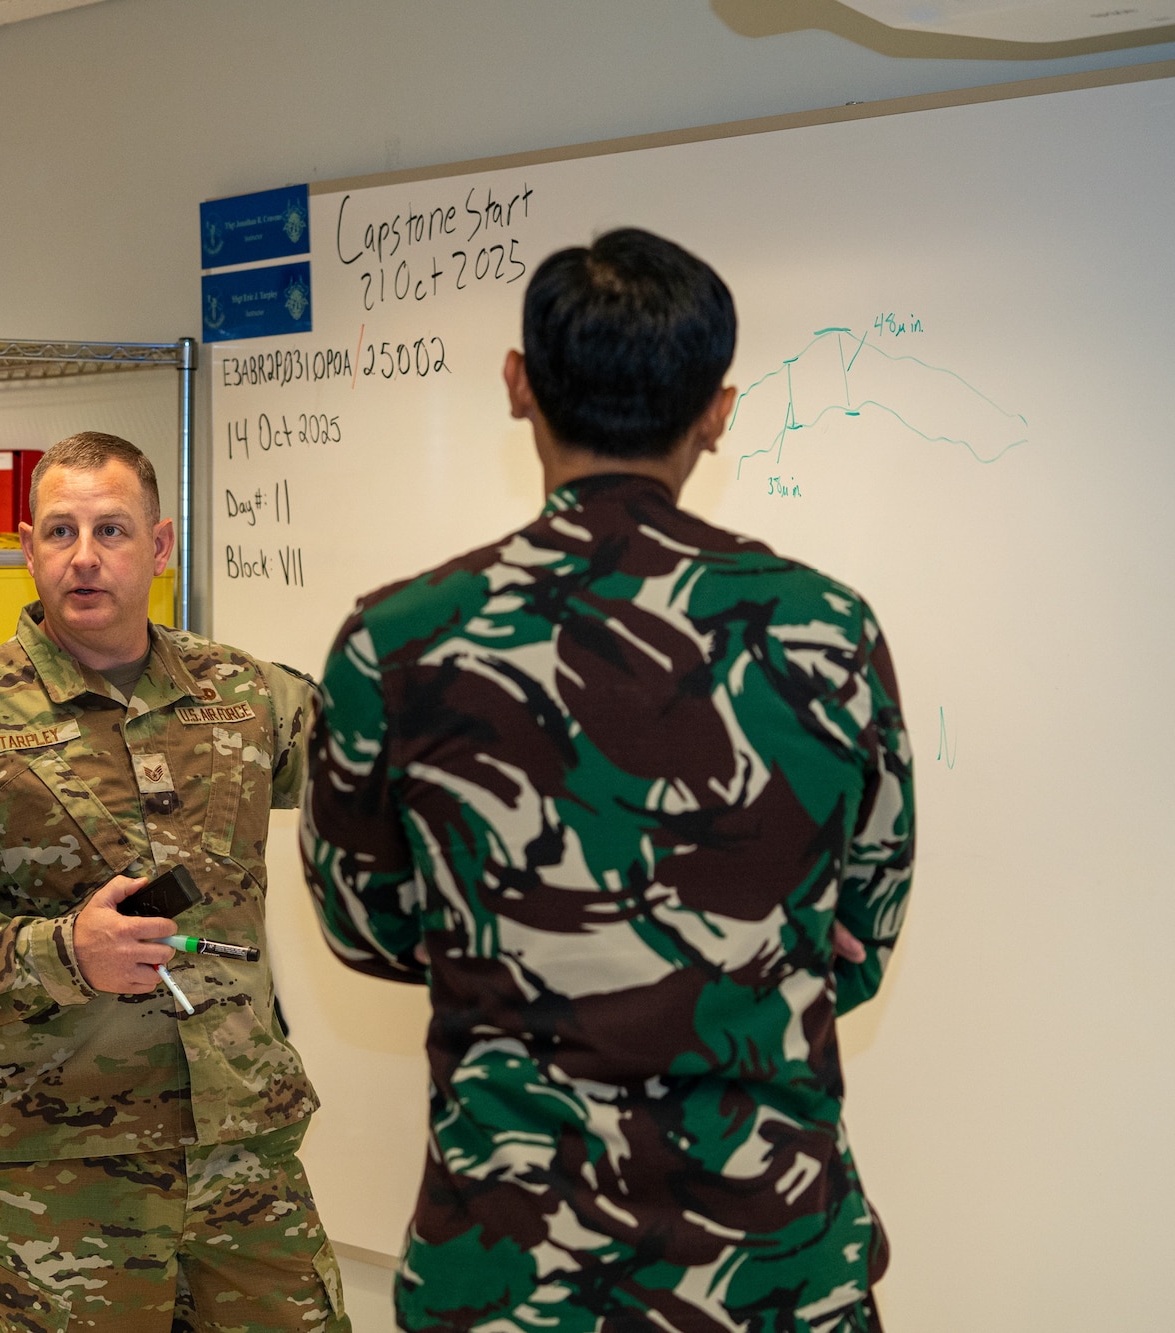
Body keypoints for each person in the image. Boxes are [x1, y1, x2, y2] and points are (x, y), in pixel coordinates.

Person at [300, 230, 915, 1333]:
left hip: (511, 1266)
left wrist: (516, 937)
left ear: (517, 384)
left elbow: (364, 925)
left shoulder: (397, 642)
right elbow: (861, 935)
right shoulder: (827, 630)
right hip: (772, 1265)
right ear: (717, 411)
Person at [0, 432, 348, 1333]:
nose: (84, 556)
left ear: (159, 546)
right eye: (61, 531)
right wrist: (62, 952)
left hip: (247, 1166)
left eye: (111, 530)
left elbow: (383, 755)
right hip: (66, 1186)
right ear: (29, 548)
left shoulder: (241, 694)